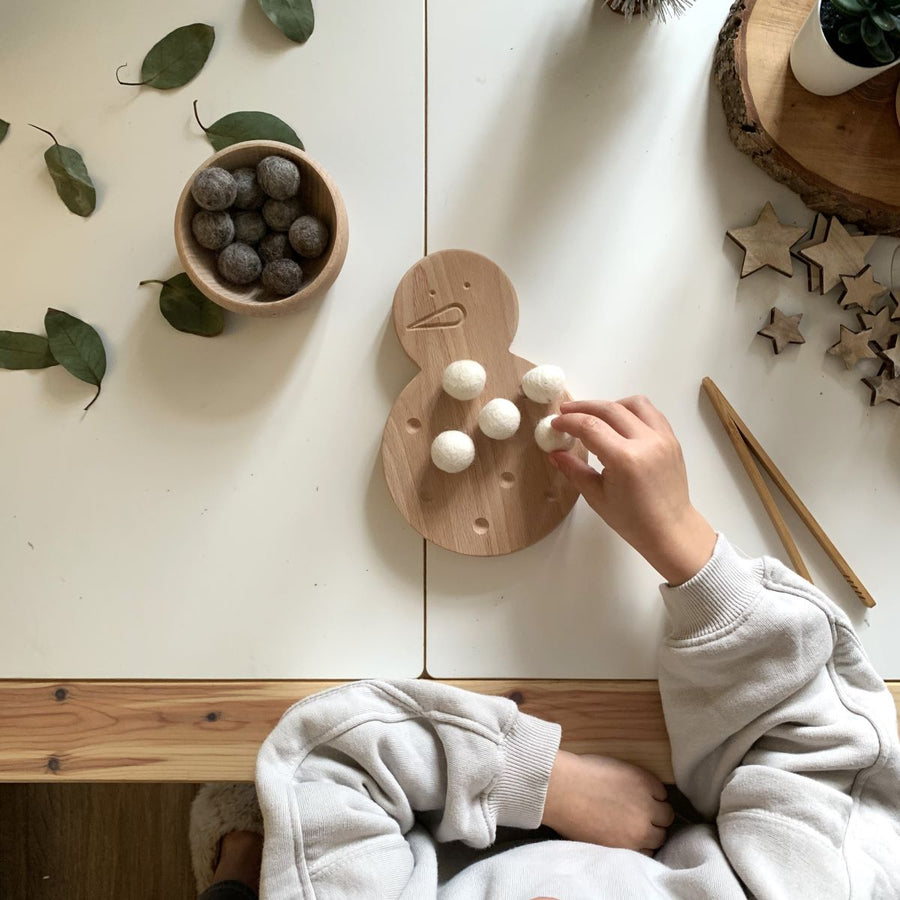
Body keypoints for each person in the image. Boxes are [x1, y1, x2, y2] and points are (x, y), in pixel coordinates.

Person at [190, 397, 900, 899]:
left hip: (421, 846)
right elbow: (820, 751)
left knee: (263, 828)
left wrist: (544, 781)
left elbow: (327, 761)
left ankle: (240, 866)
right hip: (653, 834)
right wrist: (681, 541)